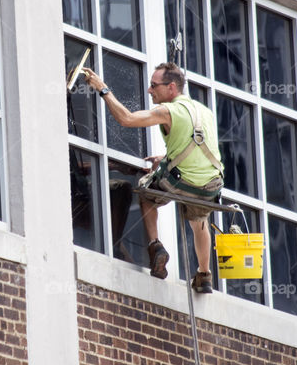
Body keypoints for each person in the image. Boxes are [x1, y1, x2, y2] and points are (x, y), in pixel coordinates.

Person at [82, 62, 224, 293]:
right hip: (210, 185)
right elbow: (197, 145)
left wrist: (103, 88)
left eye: (153, 85)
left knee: (146, 192)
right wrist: (168, 157)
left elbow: (127, 119)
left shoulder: (168, 111)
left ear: (171, 88)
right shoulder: (205, 112)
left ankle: (155, 246)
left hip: (181, 181)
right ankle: (204, 275)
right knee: (199, 221)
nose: (149, 90)